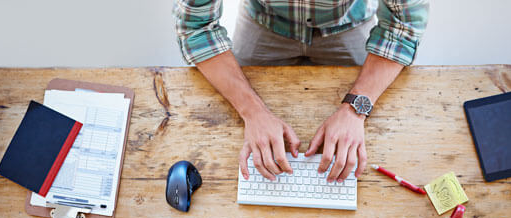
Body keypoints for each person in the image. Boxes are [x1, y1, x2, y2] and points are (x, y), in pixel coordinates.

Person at [174, 0, 429, 183]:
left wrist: (354, 109)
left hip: (348, 24)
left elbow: (403, 25)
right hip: (264, 22)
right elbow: (197, 26)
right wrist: (252, 112)